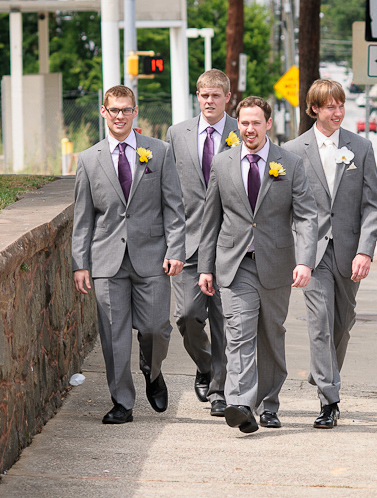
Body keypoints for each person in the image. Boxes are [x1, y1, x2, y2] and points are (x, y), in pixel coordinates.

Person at [198, 96, 317, 433]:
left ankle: (269, 405)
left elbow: (307, 216)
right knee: (238, 333)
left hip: (277, 262)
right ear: (238, 124)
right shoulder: (222, 163)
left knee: (270, 334)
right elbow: (211, 220)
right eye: (244, 123)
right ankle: (240, 403)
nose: (249, 129)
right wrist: (206, 267)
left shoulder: (290, 163)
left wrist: (305, 261)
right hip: (234, 264)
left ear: (268, 124)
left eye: (255, 122)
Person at [72, 85, 186, 425]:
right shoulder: (89, 159)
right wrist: (80, 263)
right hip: (106, 259)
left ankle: (152, 371)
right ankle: (122, 401)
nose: (119, 116)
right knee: (113, 334)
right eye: (114, 110)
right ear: (104, 112)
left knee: (155, 327)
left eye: (126, 110)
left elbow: (174, 208)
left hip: (152, 256)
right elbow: (83, 217)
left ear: (135, 112)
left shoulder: (159, 151)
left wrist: (176, 249)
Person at [282, 79, 377, 429]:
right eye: (330, 107)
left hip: (348, 252)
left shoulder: (362, 147)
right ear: (314, 109)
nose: (338, 112)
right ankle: (329, 399)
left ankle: (323, 372)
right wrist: (295, 254)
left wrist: (365, 251)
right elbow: (285, 206)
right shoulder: (292, 149)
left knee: (343, 323)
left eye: (341, 105)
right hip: (310, 253)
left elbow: (373, 205)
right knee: (319, 323)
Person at [165, 69, 239, 416]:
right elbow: (170, 193)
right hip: (188, 241)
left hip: (231, 243)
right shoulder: (177, 134)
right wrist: (171, 244)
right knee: (187, 315)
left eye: (215, 95)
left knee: (225, 320)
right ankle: (205, 365)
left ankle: (219, 391)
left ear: (228, 97)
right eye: (203, 95)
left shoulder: (244, 131)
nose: (209, 101)